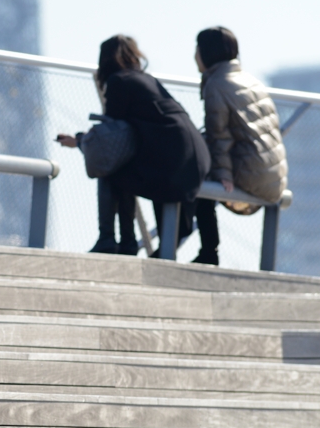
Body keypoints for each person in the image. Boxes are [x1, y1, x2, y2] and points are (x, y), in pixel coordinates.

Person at [58, 35, 211, 256]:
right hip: (193, 156)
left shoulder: (118, 81)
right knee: (122, 172)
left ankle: (110, 239)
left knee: (109, 169)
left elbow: (110, 142)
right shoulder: (145, 79)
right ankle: (126, 242)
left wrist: (81, 141)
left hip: (174, 161)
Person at [193, 26, 288, 265]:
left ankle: (208, 251)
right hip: (273, 176)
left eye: (197, 49)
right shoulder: (251, 81)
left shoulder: (217, 84)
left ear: (206, 52)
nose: (194, 55)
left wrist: (223, 174)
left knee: (191, 172)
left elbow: (219, 137)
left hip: (250, 174)